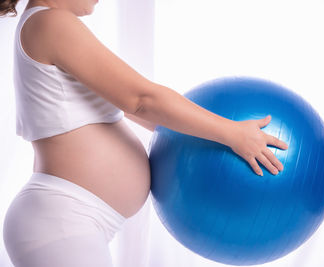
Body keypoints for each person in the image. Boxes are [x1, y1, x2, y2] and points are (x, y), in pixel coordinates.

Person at [0, 0, 288, 266]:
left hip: (71, 220)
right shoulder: (50, 23)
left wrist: (216, 131)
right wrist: (232, 133)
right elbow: (141, 100)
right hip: (62, 220)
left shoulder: (48, 25)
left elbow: (146, 113)